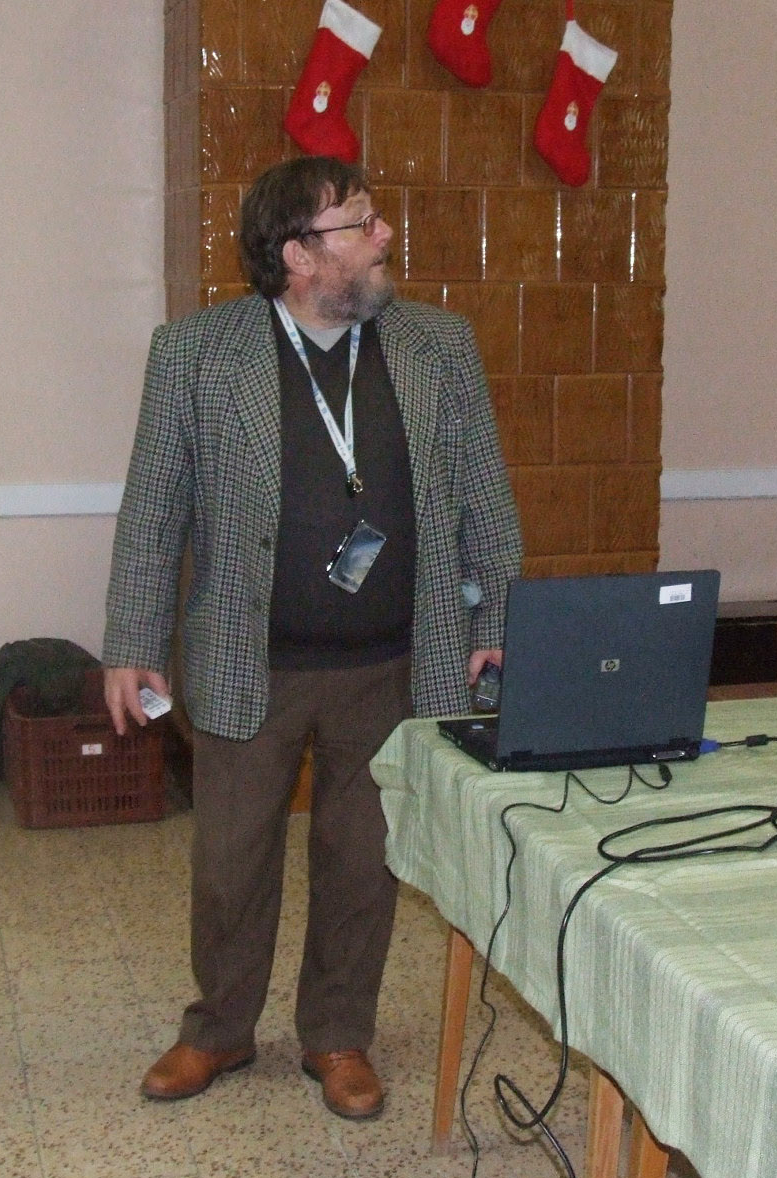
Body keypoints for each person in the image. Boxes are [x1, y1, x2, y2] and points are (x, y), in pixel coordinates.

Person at [103, 156, 522, 1120]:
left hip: (390, 662)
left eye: (376, 218)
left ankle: (338, 1033)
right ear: (297, 255)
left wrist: (493, 623)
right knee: (230, 863)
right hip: (252, 658)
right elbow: (153, 509)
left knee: (362, 860)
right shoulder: (196, 354)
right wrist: (132, 642)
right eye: (360, 224)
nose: (384, 237)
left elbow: (485, 500)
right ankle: (218, 1028)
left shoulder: (437, 345)